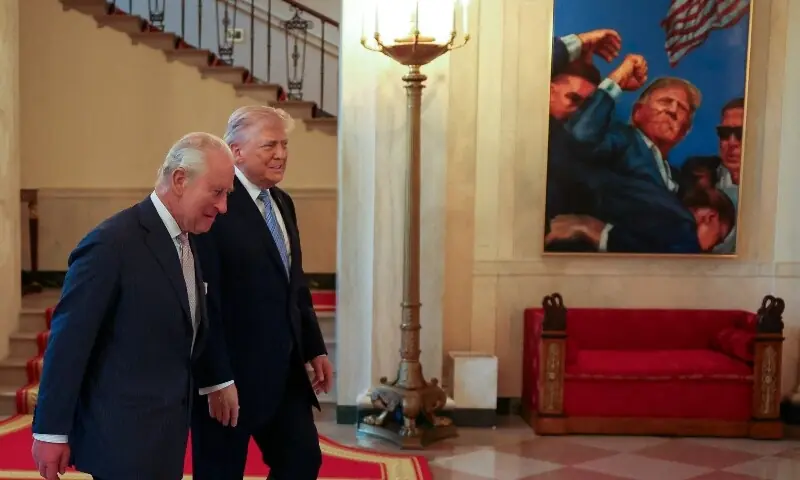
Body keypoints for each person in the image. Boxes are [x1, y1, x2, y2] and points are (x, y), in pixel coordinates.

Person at [30, 132, 235, 480]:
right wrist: (50, 431)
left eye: (226, 194)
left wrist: (216, 380)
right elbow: (68, 343)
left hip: (166, 436)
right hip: (122, 442)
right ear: (180, 181)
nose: (223, 206)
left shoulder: (188, 239)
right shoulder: (112, 244)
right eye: (216, 192)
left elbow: (188, 324)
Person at [191, 106, 332, 480]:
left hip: (284, 372)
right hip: (231, 379)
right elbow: (207, 304)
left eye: (284, 144)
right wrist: (216, 378)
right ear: (235, 151)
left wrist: (314, 346)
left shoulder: (283, 203)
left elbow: (294, 284)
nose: (281, 154)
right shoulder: (215, 205)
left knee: (302, 461)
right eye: (269, 145)